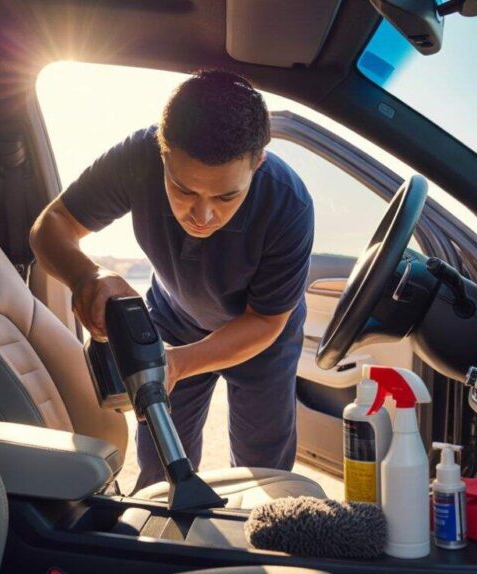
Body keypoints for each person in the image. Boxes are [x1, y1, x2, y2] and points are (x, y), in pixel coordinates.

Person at [30, 69, 314, 490]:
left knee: (264, 477)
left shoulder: (289, 204)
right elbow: (51, 224)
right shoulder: (138, 157)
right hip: (172, 319)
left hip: (258, 336)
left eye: (226, 196)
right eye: (183, 190)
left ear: (258, 162)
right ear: (162, 155)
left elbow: (267, 321)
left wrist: (181, 363)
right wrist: (87, 275)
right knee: (160, 470)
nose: (202, 216)